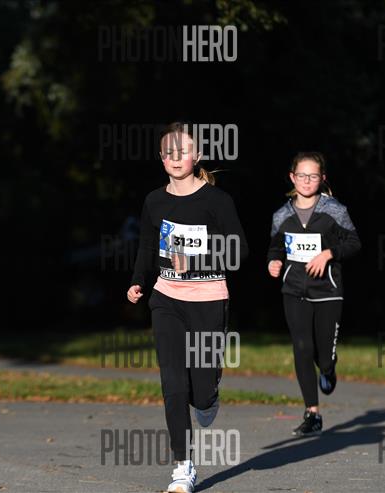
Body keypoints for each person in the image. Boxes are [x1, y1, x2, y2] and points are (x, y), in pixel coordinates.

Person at [127, 122, 248, 493]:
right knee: (173, 382)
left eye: (183, 151)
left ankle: (208, 399)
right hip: (166, 299)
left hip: (209, 300)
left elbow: (239, 250)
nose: (176, 158)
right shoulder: (154, 201)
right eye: (169, 152)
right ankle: (183, 467)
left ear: (197, 156)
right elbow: (148, 246)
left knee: (201, 390)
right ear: (161, 158)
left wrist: (194, 260)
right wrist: (138, 280)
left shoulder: (217, 201)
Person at [267, 152, 361, 436]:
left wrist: (329, 254)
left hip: (327, 290)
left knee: (323, 356)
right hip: (294, 290)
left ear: (322, 179)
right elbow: (275, 247)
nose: (307, 181)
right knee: (302, 347)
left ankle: (329, 369)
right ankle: (312, 413)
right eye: (302, 175)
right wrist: (273, 262)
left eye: (313, 176)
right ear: (292, 177)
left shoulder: (334, 210)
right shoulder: (281, 215)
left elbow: (354, 243)